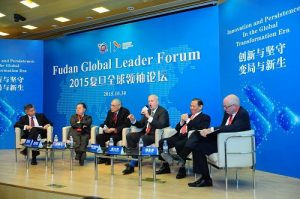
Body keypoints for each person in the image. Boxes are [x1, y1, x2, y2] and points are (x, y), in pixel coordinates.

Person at [181, 94, 250, 187]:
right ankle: (206, 178)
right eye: (223, 106)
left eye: (226, 107)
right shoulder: (228, 112)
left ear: (235, 106)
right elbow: (223, 127)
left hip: (231, 144)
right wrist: (207, 132)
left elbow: (232, 128)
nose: (224, 109)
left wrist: (211, 129)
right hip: (222, 140)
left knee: (197, 141)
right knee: (197, 137)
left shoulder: (243, 114)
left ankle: (182, 155)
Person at [156, 98, 210, 179]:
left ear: (200, 107)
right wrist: (181, 122)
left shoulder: (205, 117)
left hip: (189, 138)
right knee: (162, 142)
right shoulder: (187, 116)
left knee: (179, 144)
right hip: (178, 136)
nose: (191, 108)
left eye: (193, 106)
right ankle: (165, 165)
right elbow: (177, 129)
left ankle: (182, 169)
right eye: (190, 106)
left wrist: (188, 120)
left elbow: (200, 128)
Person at [123, 94, 170, 175]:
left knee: (142, 139)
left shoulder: (163, 112)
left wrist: (149, 117)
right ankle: (135, 160)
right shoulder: (148, 111)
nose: (150, 103)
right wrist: (133, 120)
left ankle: (131, 165)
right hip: (145, 133)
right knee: (130, 136)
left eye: (152, 101)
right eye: (149, 101)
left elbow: (161, 125)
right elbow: (141, 124)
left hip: (154, 136)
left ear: (157, 102)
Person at [96, 98, 131, 164]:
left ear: (119, 106)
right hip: (110, 132)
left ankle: (109, 158)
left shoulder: (125, 111)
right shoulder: (110, 112)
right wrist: (105, 128)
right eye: (111, 105)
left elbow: (127, 124)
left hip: (119, 133)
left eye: (113, 105)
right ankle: (103, 157)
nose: (111, 107)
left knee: (112, 138)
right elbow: (106, 122)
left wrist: (115, 129)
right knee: (99, 137)